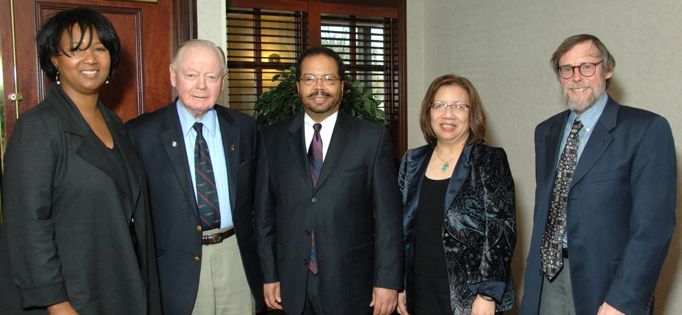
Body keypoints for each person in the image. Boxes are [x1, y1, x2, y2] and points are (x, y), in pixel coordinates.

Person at [0, 7, 161, 314]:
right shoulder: (38, 127)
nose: (90, 59)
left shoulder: (115, 124)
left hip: (119, 287)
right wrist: (58, 306)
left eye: (100, 48)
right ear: (54, 60)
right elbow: (27, 228)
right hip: (71, 299)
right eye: (76, 49)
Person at [520, 34, 676, 315]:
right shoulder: (546, 132)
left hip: (608, 290)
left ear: (607, 69)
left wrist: (623, 299)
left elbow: (653, 228)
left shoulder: (646, 129)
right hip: (546, 282)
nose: (576, 77)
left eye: (587, 67)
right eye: (567, 69)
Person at [255, 46, 404, 315]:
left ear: (342, 86)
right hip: (290, 280)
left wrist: (387, 281)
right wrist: (269, 274)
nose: (319, 87)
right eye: (310, 79)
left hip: (352, 282)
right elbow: (264, 217)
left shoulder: (372, 139)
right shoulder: (270, 139)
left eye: (329, 79)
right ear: (298, 86)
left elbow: (388, 217)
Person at [125, 39, 264, 315]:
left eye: (211, 76)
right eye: (191, 75)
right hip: (175, 266)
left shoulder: (245, 128)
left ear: (223, 81)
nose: (202, 85)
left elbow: (259, 202)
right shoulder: (141, 134)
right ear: (173, 76)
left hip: (236, 259)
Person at [396, 75, 516, 315]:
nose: (448, 115)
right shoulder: (412, 161)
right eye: (439, 105)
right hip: (419, 290)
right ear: (429, 112)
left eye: (459, 106)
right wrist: (398, 284)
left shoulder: (489, 159)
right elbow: (398, 230)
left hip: (471, 296)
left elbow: (502, 231)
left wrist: (487, 294)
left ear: (473, 114)